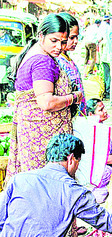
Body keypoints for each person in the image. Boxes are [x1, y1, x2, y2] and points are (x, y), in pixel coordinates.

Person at [8, 13, 82, 181]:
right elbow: (46, 102)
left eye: (63, 42)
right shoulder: (43, 62)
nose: (59, 47)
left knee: (36, 183)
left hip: (33, 135)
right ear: (41, 35)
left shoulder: (35, 52)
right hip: (41, 139)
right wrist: (73, 98)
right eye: (53, 41)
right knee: (46, 184)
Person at [57, 13, 87, 116]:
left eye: (77, 37)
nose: (76, 41)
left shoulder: (67, 58)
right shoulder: (57, 61)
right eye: (72, 37)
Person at [99, 16, 112, 99]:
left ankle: (107, 92)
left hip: (104, 58)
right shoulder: (108, 29)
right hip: (109, 59)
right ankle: (108, 92)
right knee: (109, 75)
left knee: (106, 75)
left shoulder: (103, 40)